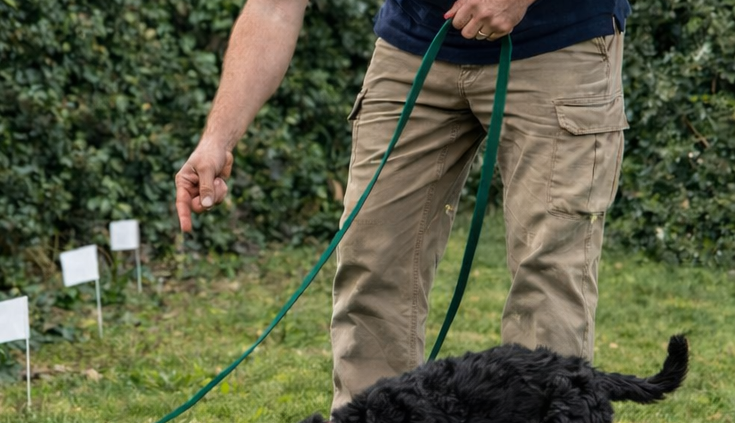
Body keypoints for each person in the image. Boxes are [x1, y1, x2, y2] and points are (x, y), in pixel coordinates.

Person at [174, 0, 631, 415]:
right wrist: (217, 139)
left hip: (558, 43)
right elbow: (275, 7)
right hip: (414, 44)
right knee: (372, 264)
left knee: (546, 279)